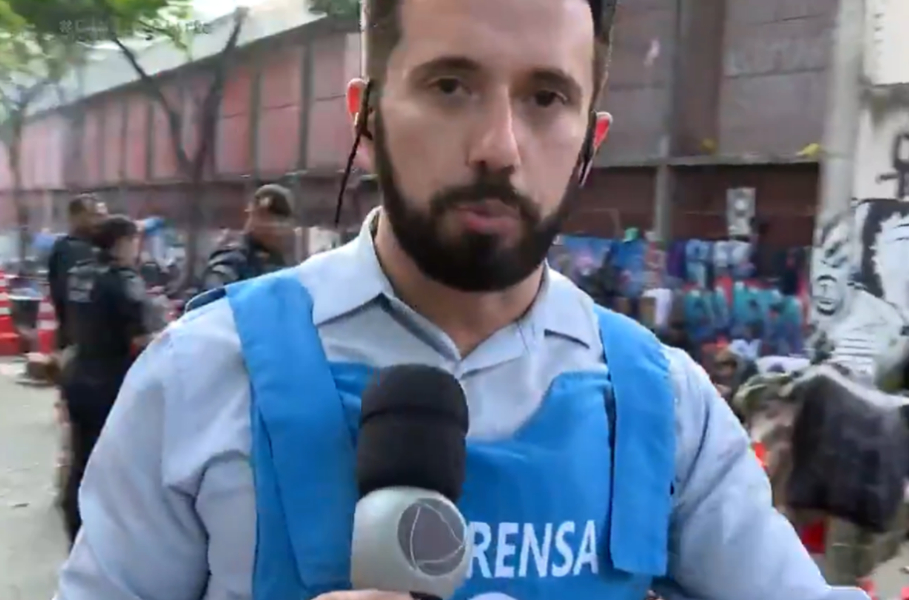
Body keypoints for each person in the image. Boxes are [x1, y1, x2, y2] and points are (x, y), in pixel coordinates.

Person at [57, 1, 837, 599]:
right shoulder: (199, 375)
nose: (498, 145)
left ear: (591, 140)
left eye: (545, 98)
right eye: (451, 84)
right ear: (366, 112)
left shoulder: (668, 408)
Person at [59, 215, 152, 545]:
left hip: (77, 372)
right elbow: (141, 338)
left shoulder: (78, 273)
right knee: (113, 461)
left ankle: (75, 529)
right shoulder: (124, 279)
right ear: (122, 242)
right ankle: (104, 541)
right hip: (110, 380)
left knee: (79, 458)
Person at [197, 183, 295, 293]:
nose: (268, 226)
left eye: (275, 220)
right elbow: (214, 291)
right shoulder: (235, 257)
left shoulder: (283, 261)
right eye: (260, 216)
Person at [47, 194, 104, 352]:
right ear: (76, 217)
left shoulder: (96, 246)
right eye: (94, 215)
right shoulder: (70, 249)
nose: (100, 221)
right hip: (78, 336)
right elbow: (68, 295)